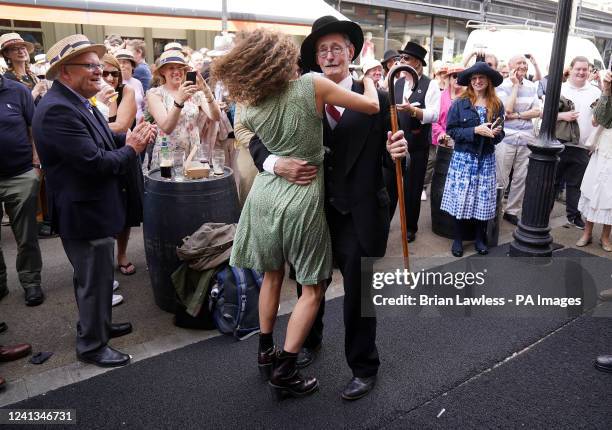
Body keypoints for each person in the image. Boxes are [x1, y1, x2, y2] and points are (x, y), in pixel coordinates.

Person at [247, 16, 407, 401]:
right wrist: (274, 164)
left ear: (351, 52)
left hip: (360, 211)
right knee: (309, 284)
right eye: (323, 50)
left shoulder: (380, 99)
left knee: (359, 294)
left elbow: (395, 158)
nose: (330, 54)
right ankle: (308, 342)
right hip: (311, 209)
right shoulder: (294, 94)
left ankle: (365, 367)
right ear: (315, 58)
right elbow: (254, 138)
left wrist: (395, 153)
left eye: (337, 47)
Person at [32, 34, 156, 367]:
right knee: (92, 278)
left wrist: (126, 137)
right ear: (65, 72)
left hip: (91, 207)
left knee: (98, 277)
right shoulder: (59, 109)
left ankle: (98, 326)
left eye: (99, 65)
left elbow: (103, 138)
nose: (99, 72)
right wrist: (133, 149)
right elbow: (94, 163)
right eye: (90, 66)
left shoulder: (75, 101)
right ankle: (91, 345)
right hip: (84, 210)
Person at [441, 62, 505, 257]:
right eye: (474, 78)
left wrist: (496, 133)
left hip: (485, 159)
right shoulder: (460, 103)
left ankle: (479, 238)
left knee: (483, 201)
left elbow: (501, 134)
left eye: (481, 78)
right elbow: (451, 130)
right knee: (461, 200)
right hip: (464, 158)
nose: (477, 81)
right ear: (470, 82)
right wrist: (475, 130)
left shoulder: (497, 104)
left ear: (488, 81)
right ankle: (458, 239)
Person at [386, 41, 441, 241]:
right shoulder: (397, 82)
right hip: (397, 144)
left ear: (417, 63)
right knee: (390, 185)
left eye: (406, 58)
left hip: (417, 145)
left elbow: (434, 114)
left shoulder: (430, 84)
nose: (402, 61)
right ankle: (385, 223)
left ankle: (410, 227)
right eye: (401, 58)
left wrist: (414, 111)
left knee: (412, 188)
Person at [0, 72, 44, 306]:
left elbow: (34, 127)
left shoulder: (17, 91)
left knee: (26, 236)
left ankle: (31, 282)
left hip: (21, 174)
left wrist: (36, 165)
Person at [97, 53, 143, 279]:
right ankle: (102, 260)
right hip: (100, 157)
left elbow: (123, 124)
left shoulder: (128, 91)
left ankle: (122, 254)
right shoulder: (88, 94)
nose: (109, 78)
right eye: (104, 73)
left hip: (125, 154)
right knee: (103, 206)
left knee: (125, 208)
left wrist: (90, 126)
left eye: (114, 73)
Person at [146, 51, 221, 170]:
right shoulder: (155, 94)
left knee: (194, 188)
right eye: (171, 68)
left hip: (193, 155)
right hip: (168, 156)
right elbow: (166, 127)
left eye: (180, 68)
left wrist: (205, 89)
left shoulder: (195, 93)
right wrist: (179, 100)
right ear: (162, 71)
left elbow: (216, 116)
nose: (176, 71)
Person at [495, 55, 541, 226]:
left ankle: (512, 211)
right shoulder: (501, 85)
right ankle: (496, 209)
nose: (522, 65)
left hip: (527, 138)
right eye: (518, 63)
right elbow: (506, 110)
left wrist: (518, 115)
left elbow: (538, 111)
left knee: (521, 177)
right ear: (510, 66)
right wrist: (514, 86)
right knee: (501, 177)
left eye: (524, 63)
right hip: (506, 138)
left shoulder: (532, 86)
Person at [557, 56, 601, 229]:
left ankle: (573, 216)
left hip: (583, 147)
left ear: (589, 71)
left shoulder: (596, 92)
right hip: (559, 144)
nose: (582, 72)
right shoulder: (560, 88)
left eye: (585, 69)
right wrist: (563, 116)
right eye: (578, 69)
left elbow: (600, 121)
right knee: (552, 183)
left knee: (576, 185)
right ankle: (544, 216)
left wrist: (593, 144)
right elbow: (544, 114)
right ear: (571, 69)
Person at [576, 70, 612, 253]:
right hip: (605, 146)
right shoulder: (607, 93)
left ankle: (606, 236)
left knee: (610, 195)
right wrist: (606, 91)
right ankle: (587, 232)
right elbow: (598, 120)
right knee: (593, 189)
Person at [0, 33, 47, 101]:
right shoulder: (7, 79)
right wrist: (36, 91)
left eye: (23, 48)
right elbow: (17, 106)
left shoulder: (31, 74)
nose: (21, 51)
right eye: (15, 49)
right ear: (6, 54)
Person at [431, 65, 465, 148]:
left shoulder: (468, 98)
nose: (458, 79)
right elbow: (434, 119)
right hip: (443, 141)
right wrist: (441, 133)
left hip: (461, 142)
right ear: (449, 79)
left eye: (461, 76)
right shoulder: (440, 96)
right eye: (454, 76)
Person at [113, 49, 145, 124]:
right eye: (118, 63)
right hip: (123, 128)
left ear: (132, 65)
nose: (121, 65)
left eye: (125, 62)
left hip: (139, 125)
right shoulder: (114, 83)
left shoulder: (138, 83)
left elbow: (142, 105)